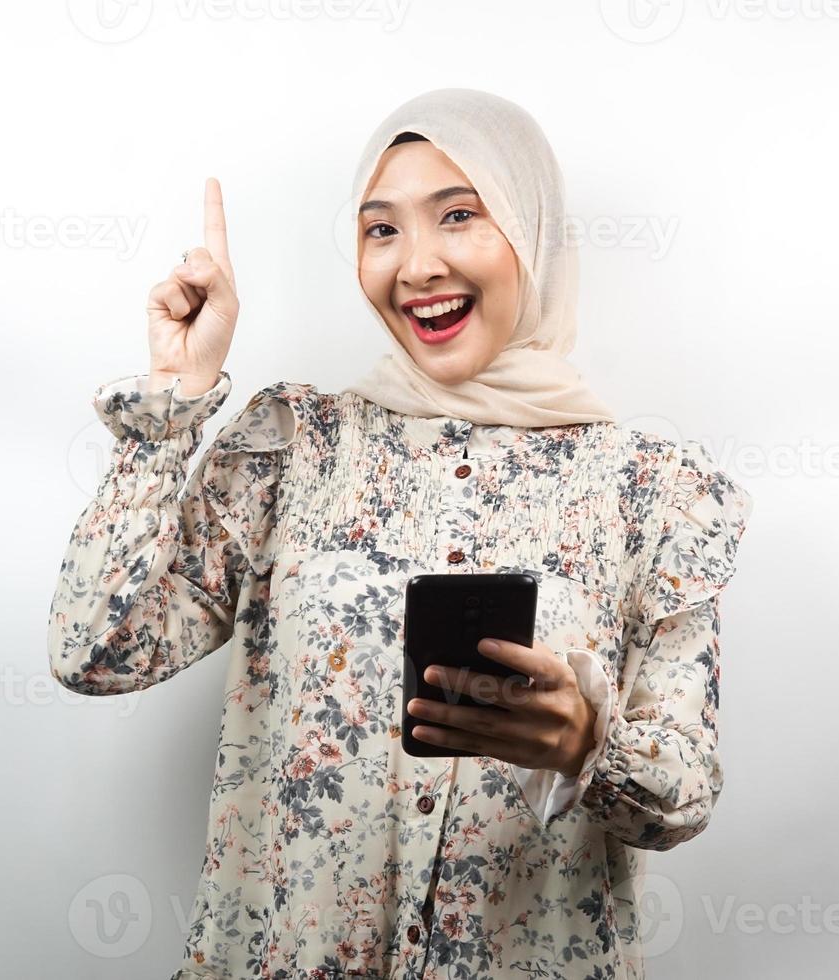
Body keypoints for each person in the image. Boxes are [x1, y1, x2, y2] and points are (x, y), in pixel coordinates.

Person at [47, 87, 752, 980]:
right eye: (382, 230)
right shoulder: (294, 446)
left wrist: (588, 744)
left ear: (532, 233)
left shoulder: (652, 491)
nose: (416, 265)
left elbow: (683, 797)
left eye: (458, 216)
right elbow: (94, 652)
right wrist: (174, 400)